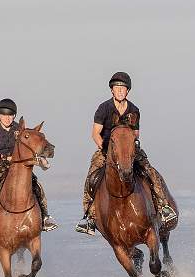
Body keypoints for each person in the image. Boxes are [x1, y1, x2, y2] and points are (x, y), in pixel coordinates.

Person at [75, 72, 177, 235]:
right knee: (92, 177)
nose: (120, 91)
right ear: (112, 91)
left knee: (150, 172)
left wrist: (128, 146)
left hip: (129, 149)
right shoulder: (104, 108)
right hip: (107, 148)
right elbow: (95, 133)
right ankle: (90, 217)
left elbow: (136, 134)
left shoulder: (134, 110)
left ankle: (163, 206)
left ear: (127, 91)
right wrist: (103, 146)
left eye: (123, 88)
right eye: (117, 88)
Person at [0, 99, 58, 233]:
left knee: (36, 186)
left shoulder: (19, 129)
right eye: (4, 115)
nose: (7, 118)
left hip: (20, 164)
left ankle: (45, 217)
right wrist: (10, 158)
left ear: (14, 116)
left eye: (10, 115)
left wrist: (38, 159)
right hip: (0, 164)